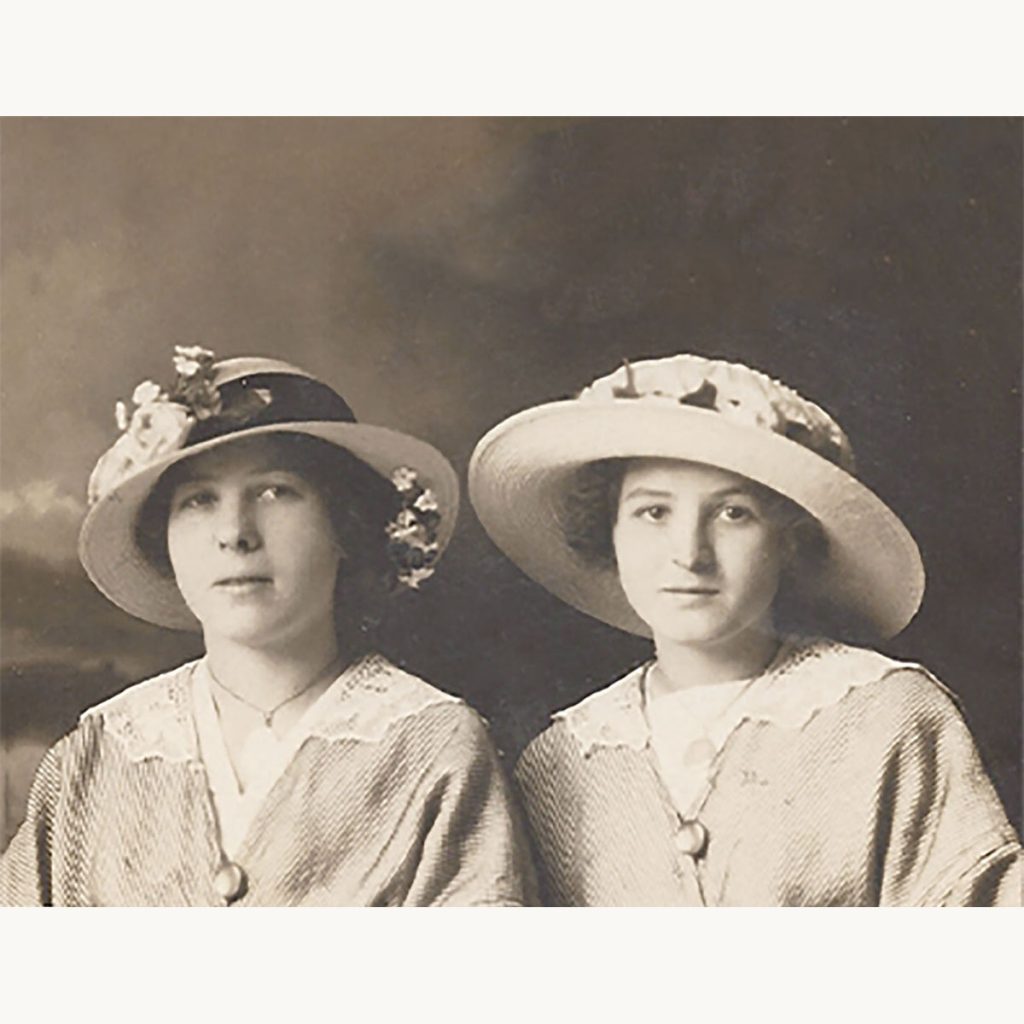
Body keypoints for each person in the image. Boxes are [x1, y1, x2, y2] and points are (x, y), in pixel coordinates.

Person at [468, 353, 1021, 906]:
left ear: (790, 538)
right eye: (653, 512)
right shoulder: (562, 758)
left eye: (733, 513)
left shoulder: (890, 717)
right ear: (608, 531)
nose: (689, 554)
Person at [1, 347, 536, 906]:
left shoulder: (433, 746)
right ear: (166, 538)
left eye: (275, 491)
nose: (234, 533)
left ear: (344, 524)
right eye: (199, 500)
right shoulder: (98, 752)